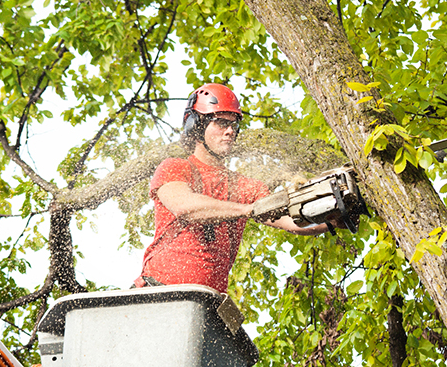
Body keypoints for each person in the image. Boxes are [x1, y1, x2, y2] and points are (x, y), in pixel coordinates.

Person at [136, 83, 335, 291]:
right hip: (158, 293)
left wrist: (331, 219)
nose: (230, 131)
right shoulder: (176, 168)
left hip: (208, 303)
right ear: (196, 125)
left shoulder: (244, 186)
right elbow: (186, 207)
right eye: (221, 123)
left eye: (234, 125)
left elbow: (292, 222)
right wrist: (246, 210)